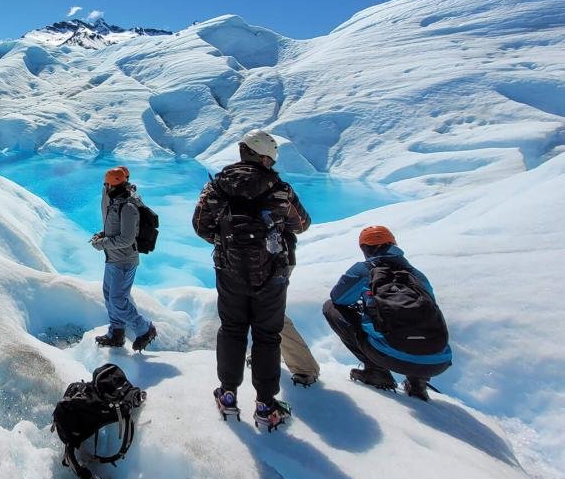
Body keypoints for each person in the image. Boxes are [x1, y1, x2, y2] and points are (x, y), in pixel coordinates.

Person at [192, 130, 311, 429]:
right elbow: (302, 224)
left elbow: (200, 226)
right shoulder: (280, 189)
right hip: (272, 273)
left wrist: (227, 243)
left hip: (229, 270)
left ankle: (228, 396)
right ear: (266, 157)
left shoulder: (217, 187)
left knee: (232, 330)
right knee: (267, 336)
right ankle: (265, 405)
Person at [323, 225, 452, 400]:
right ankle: (417, 383)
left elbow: (338, 298)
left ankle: (376, 372)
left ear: (365, 249)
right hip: (437, 360)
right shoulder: (416, 275)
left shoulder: (365, 270)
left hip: (389, 356)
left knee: (331, 308)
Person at [90, 166, 157, 352]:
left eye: (107, 184)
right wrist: (103, 234)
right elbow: (118, 230)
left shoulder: (127, 206)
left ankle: (145, 329)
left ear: (111, 185)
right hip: (114, 258)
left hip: (124, 260)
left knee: (118, 299)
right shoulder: (117, 201)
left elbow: (127, 239)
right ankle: (116, 333)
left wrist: (102, 243)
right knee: (109, 296)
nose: (105, 187)